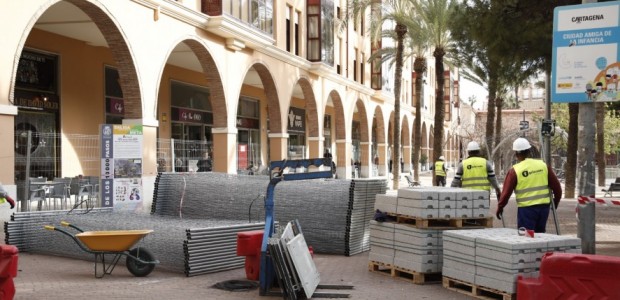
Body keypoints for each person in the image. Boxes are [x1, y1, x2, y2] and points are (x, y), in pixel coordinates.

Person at [496, 138, 562, 233]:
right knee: (540, 235)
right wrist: (556, 202)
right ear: (529, 151)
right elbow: (557, 188)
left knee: (527, 237)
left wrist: (500, 207)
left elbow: (506, 193)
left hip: (527, 210)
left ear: (516, 154)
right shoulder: (543, 166)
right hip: (544, 208)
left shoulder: (515, 170)